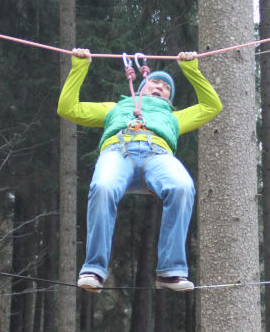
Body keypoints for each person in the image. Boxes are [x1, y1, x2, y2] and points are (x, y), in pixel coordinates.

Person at [57, 48, 222, 293]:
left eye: (166, 87)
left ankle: (170, 271)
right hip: (118, 151)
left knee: (182, 187)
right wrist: (79, 67)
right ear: (142, 86)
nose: (160, 87)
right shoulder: (115, 108)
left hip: (158, 155)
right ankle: (94, 268)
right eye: (155, 82)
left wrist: (191, 69)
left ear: (169, 99)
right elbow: (68, 108)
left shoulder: (173, 117)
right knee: (102, 187)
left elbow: (212, 106)